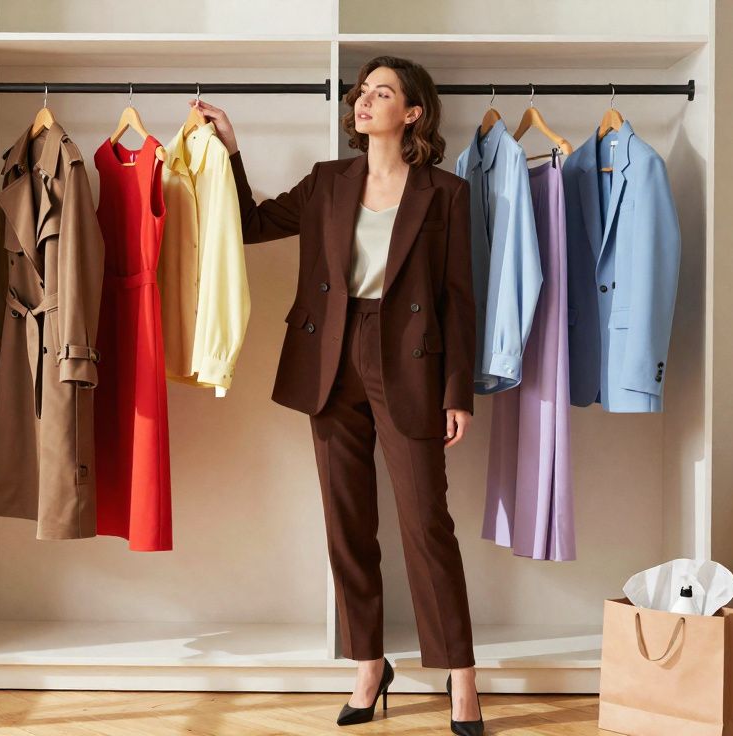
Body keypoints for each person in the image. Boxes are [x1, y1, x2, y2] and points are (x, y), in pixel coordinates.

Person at [192, 55, 484, 734]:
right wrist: (233, 152)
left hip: (410, 361)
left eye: (383, 92)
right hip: (330, 356)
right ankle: (368, 665)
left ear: (412, 113)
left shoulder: (445, 193)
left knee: (425, 526)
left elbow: (459, 299)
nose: (365, 100)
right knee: (346, 526)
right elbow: (251, 224)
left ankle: (462, 680)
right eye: (362, 91)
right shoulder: (328, 182)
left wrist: (457, 391)